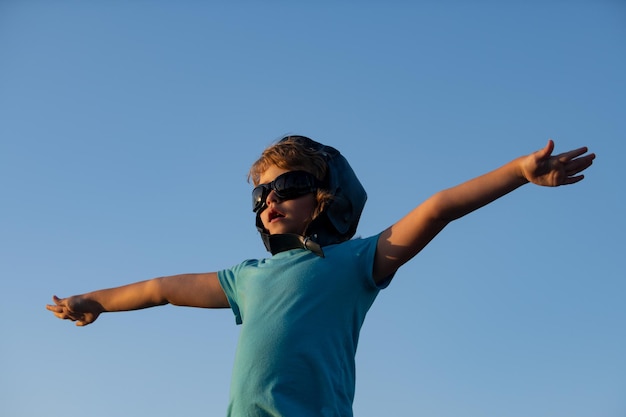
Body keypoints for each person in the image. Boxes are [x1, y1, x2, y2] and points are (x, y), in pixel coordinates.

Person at [47, 135, 595, 416]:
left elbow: (437, 210)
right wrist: (91, 300)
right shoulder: (248, 278)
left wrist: (519, 174)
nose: (270, 201)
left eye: (288, 188)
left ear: (326, 197)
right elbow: (161, 291)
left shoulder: (355, 263)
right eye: (262, 195)